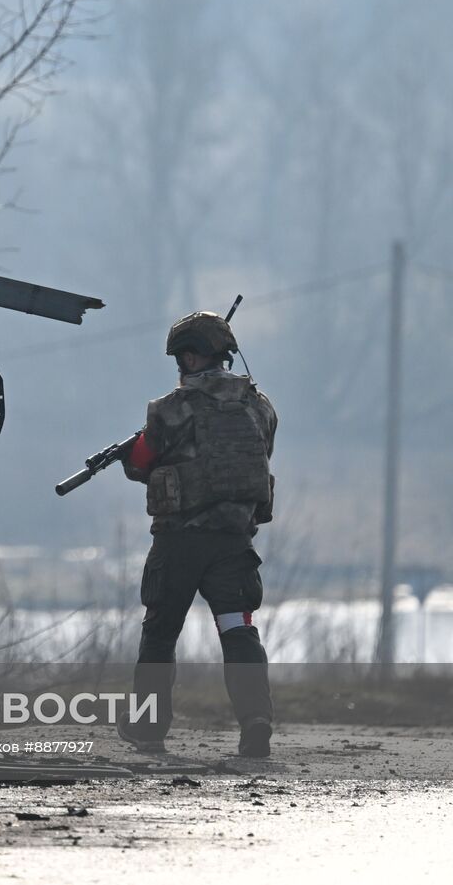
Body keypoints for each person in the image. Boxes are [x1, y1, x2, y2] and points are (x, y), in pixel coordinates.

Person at [117, 311, 277, 758]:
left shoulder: (168, 409)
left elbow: (143, 462)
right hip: (234, 543)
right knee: (237, 629)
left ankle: (148, 730)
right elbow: (261, 454)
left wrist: (136, 449)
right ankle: (256, 723)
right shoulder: (261, 406)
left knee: (161, 632)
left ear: (190, 356)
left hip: (179, 542)